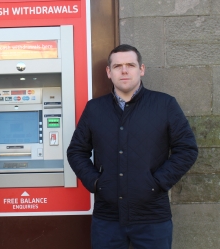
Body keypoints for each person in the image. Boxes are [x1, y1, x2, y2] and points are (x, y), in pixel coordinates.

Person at [67, 44, 198, 249]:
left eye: (130, 65)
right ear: (109, 72)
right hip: (107, 217)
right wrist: (95, 182)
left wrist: (158, 182)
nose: (125, 70)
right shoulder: (95, 108)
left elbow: (187, 149)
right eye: (118, 66)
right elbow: (76, 151)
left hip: (152, 216)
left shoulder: (165, 104)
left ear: (141, 69)